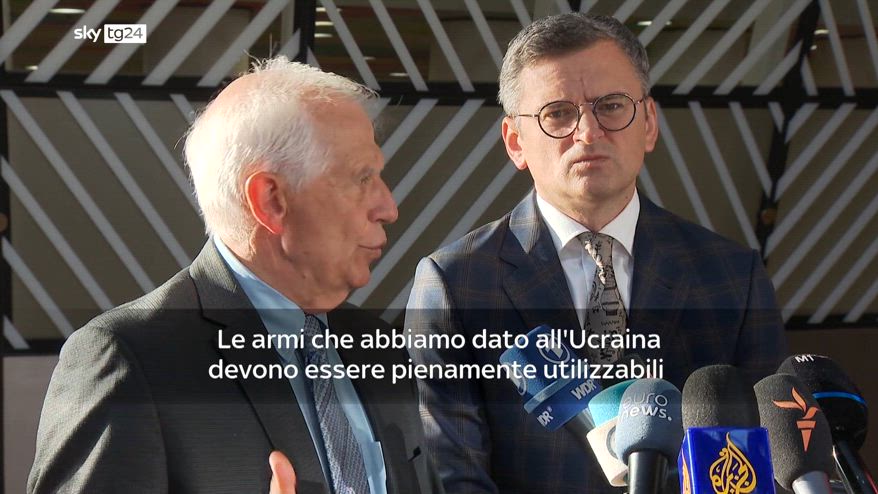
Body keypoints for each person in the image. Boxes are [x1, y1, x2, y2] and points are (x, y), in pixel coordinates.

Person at [405, 13, 787, 493]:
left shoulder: (732, 276)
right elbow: (453, 476)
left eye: (611, 106)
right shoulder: (456, 283)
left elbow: (772, 458)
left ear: (649, 123)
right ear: (516, 142)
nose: (588, 132)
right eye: (558, 113)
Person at [28, 57, 442, 494]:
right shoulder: (129, 361)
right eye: (362, 178)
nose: (388, 208)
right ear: (271, 200)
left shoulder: (379, 347)